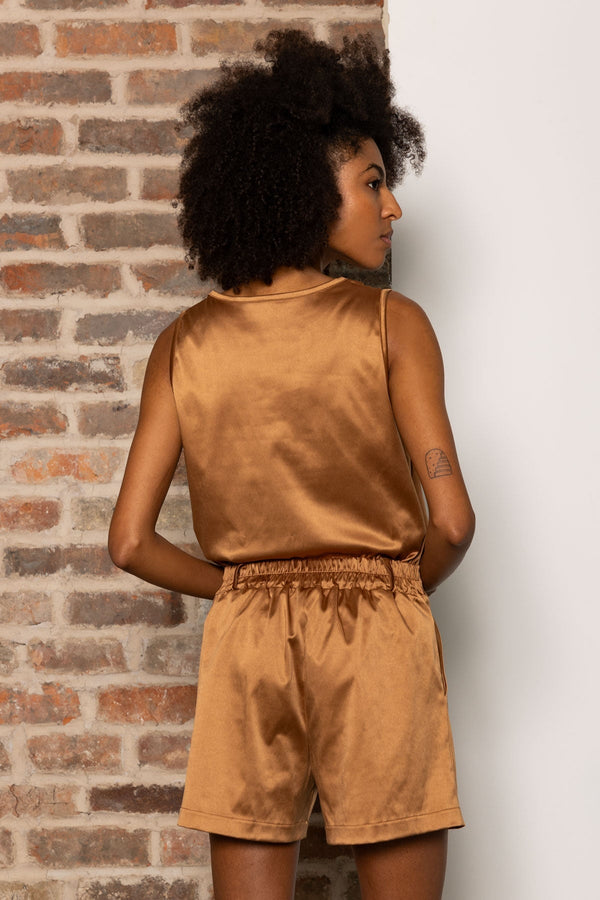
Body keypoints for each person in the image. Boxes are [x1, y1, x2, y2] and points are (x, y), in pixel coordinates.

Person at [108, 29, 475, 900]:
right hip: (377, 626)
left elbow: (129, 542)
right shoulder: (391, 324)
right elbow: (454, 522)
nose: (392, 207)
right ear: (309, 188)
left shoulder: (183, 343)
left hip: (247, 638)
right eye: (373, 182)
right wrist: (390, 587)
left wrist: (241, 588)